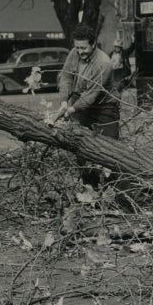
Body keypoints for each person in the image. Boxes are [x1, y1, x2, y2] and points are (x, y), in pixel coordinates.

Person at [55, 24, 124, 189]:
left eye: (84, 48)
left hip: (104, 107)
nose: (80, 52)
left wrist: (70, 110)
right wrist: (64, 101)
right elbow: (66, 77)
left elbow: (91, 96)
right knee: (82, 147)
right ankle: (90, 191)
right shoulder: (74, 53)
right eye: (77, 47)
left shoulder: (103, 63)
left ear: (93, 44)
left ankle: (115, 193)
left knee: (109, 150)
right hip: (80, 103)